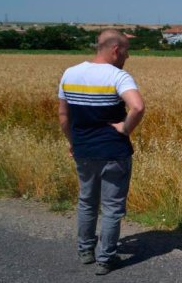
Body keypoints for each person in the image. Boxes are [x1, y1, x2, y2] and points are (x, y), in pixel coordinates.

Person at [58, 29, 145, 275]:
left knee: (87, 201)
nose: (128, 56)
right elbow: (137, 107)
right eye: (127, 51)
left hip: (84, 150)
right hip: (113, 152)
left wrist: (73, 142)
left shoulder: (70, 73)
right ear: (116, 50)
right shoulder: (118, 76)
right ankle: (105, 258)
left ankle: (85, 250)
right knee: (112, 207)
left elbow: (64, 116)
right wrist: (125, 129)